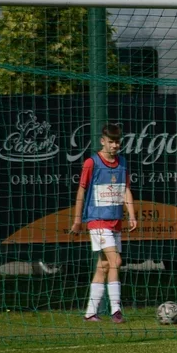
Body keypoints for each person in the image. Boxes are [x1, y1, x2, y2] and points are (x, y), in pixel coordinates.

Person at [70, 122, 137, 323]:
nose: (115, 145)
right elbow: (81, 190)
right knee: (116, 261)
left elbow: (125, 189)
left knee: (104, 266)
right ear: (102, 141)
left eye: (117, 142)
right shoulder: (92, 163)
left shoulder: (122, 162)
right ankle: (116, 310)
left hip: (115, 221)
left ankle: (90, 312)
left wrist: (131, 214)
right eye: (111, 142)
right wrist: (77, 219)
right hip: (97, 221)